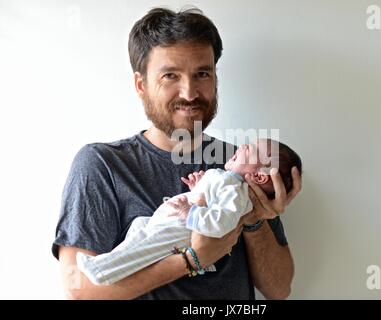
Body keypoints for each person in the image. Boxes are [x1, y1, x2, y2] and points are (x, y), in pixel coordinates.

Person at [52, 7, 302, 300]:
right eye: (171, 75)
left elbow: (278, 288)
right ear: (141, 85)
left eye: (202, 74)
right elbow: (80, 292)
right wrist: (192, 260)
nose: (189, 92)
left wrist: (254, 220)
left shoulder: (245, 164)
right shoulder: (103, 164)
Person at [76, 139, 302, 286]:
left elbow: (220, 223)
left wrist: (192, 211)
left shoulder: (241, 193)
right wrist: (199, 189)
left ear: (260, 177)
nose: (241, 147)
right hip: (172, 220)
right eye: (171, 75)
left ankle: (103, 270)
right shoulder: (99, 161)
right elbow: (77, 292)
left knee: (145, 247)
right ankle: (107, 263)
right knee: (139, 231)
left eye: (249, 150)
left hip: (182, 229)